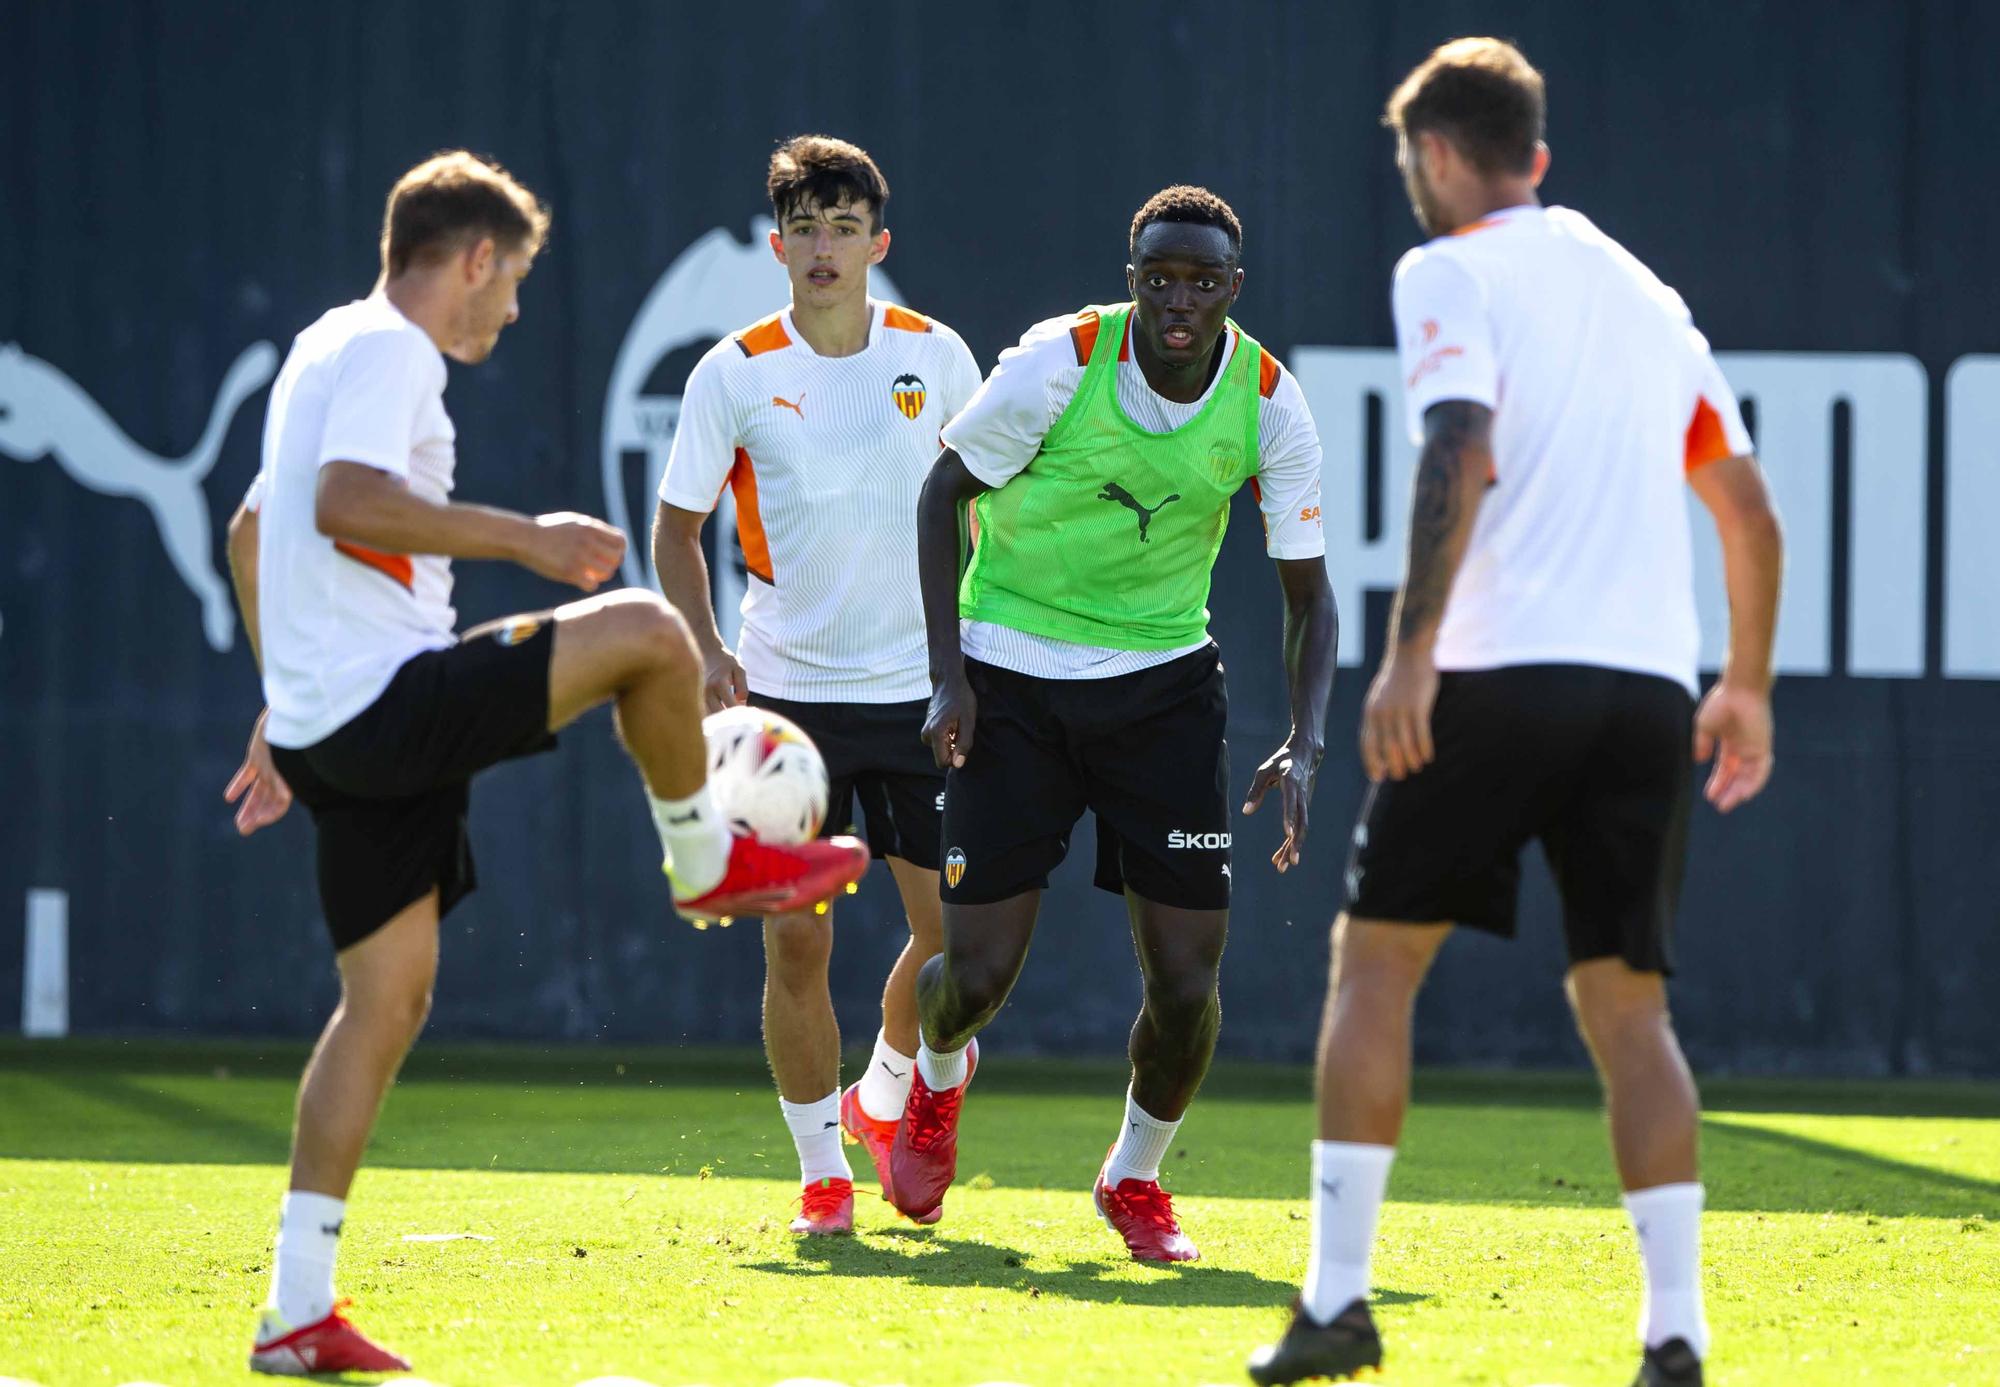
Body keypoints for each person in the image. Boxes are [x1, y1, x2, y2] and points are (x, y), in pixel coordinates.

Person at [223, 150, 867, 1376]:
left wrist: (278, 698)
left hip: (335, 720)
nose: (512, 307)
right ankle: (703, 859)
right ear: (471, 258)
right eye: (509, 278)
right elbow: (346, 501)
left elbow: (257, 529)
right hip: (386, 702)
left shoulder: (321, 344)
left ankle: (295, 1310)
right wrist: (528, 538)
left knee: (385, 1002)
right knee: (646, 631)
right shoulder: (390, 350)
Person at [1248, 39, 1783, 1387]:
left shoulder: (1447, 267)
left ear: (1435, 155)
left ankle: (1339, 1299)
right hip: (1647, 691)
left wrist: (1409, 656)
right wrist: (1750, 685)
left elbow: (1458, 445)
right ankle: (1676, 1331)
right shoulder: (1649, 297)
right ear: (1535, 156)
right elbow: (1750, 509)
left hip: (1494, 671)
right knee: (1630, 1010)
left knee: (1375, 967)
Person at [890, 186, 1339, 1261]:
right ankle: (934, 1081)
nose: (1177, 298)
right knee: (973, 983)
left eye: (1201, 280)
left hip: (1162, 693)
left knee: (1187, 986)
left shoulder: (1270, 401)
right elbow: (938, 494)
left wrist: (1307, 734)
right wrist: (948, 675)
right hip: (1010, 676)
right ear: (1130, 275)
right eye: (1158, 277)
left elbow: (1307, 595)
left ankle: (1132, 1178)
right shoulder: (1058, 361)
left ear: (1233, 287)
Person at [651, 134, 983, 1235]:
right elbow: (675, 529)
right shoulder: (732, 370)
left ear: (878, 243)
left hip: (916, 694)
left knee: (954, 947)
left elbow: (984, 511)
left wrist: (968, 660)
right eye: (806, 227)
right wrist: (704, 649)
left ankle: (884, 1093)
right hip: (782, 701)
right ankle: (819, 1172)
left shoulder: (936, 355)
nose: (825, 247)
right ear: (777, 244)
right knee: (795, 937)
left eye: (845, 228)